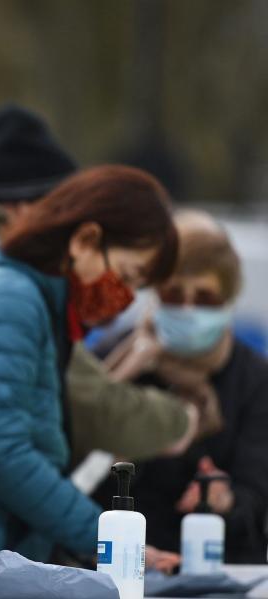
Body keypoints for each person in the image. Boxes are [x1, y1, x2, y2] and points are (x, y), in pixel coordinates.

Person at [0, 165, 180, 579]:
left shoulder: (27, 298)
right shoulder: (10, 299)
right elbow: (1, 451)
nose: (123, 298)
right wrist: (101, 537)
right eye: (126, 276)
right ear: (86, 239)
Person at [0, 105, 195, 465]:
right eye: (127, 275)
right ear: (25, 207)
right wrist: (183, 418)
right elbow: (83, 406)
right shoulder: (9, 285)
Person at [100, 210, 268, 563]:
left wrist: (226, 500)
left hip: (222, 573)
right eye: (175, 295)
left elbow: (256, 499)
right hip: (122, 567)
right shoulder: (114, 360)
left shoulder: (255, 378)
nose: (189, 309)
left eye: (205, 298)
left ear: (228, 298)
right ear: (154, 292)